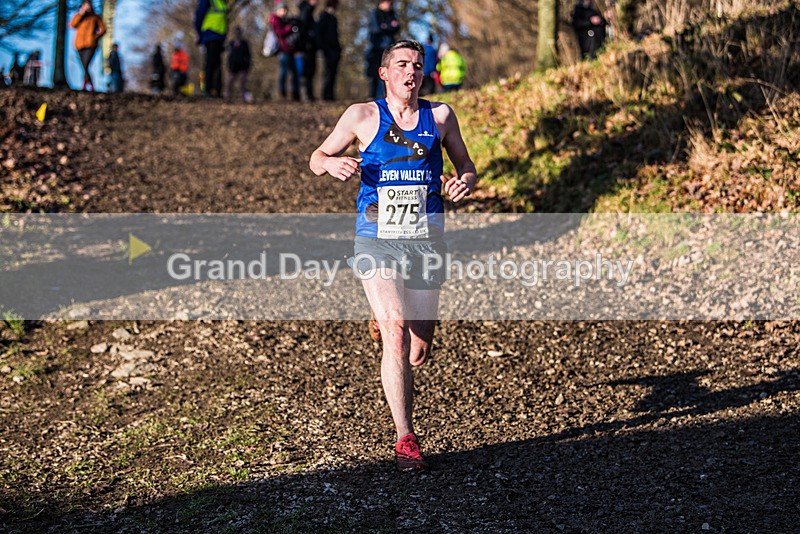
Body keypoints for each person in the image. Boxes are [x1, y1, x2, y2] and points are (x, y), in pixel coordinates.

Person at [309, 40, 478, 471]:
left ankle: (390, 320)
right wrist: (331, 165)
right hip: (376, 237)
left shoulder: (439, 116)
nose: (411, 71)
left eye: (417, 66)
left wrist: (464, 183)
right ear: (385, 73)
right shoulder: (362, 116)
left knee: (418, 348)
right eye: (402, 64)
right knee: (396, 331)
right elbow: (317, 156)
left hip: (426, 238)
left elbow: (467, 166)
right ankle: (406, 439)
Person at [365, 0, 399, 99]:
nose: (389, 5)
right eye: (388, 3)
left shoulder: (392, 14)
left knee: (388, 72)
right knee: (374, 73)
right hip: (376, 48)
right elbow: (376, 29)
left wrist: (385, 26)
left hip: (388, 48)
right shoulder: (375, 13)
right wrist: (389, 26)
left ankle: (386, 95)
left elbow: (397, 27)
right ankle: (372, 96)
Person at [69, 0, 106, 91]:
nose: (87, 7)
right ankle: (89, 85)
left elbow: (103, 29)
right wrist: (81, 13)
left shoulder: (95, 17)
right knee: (84, 66)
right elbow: (72, 24)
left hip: (91, 44)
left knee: (85, 64)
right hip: (79, 45)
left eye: (88, 5)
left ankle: (87, 85)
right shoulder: (79, 17)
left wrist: (95, 37)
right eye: (85, 5)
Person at [194, 0, 228, 97]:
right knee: (210, 63)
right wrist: (198, 34)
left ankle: (216, 90)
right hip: (210, 35)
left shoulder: (221, 2)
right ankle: (208, 89)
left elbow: (224, 21)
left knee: (217, 64)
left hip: (218, 38)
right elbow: (199, 15)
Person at [269, 3, 301, 101]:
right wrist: (290, 28)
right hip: (282, 50)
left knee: (293, 72)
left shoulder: (285, 20)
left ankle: (294, 93)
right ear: (278, 10)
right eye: (283, 10)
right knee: (284, 72)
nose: (285, 12)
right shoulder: (275, 20)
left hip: (289, 50)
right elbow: (280, 32)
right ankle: (282, 92)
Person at [316, 0, 341, 101]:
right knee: (328, 73)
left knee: (333, 73)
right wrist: (323, 47)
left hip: (335, 50)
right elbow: (320, 34)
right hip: (328, 50)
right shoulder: (324, 17)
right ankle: (326, 95)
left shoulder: (333, 18)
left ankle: (330, 94)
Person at [298, 0, 318, 101]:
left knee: (310, 71)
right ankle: (305, 94)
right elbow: (304, 27)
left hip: (310, 48)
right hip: (306, 48)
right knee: (306, 71)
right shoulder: (305, 11)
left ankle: (309, 94)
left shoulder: (310, 13)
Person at [225, 26, 252, 102]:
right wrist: (229, 65)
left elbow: (248, 55)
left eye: (239, 32)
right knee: (230, 81)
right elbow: (229, 55)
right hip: (233, 65)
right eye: (236, 32)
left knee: (243, 81)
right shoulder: (231, 43)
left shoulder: (245, 44)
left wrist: (247, 65)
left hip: (243, 65)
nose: (237, 34)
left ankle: (243, 97)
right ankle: (228, 96)